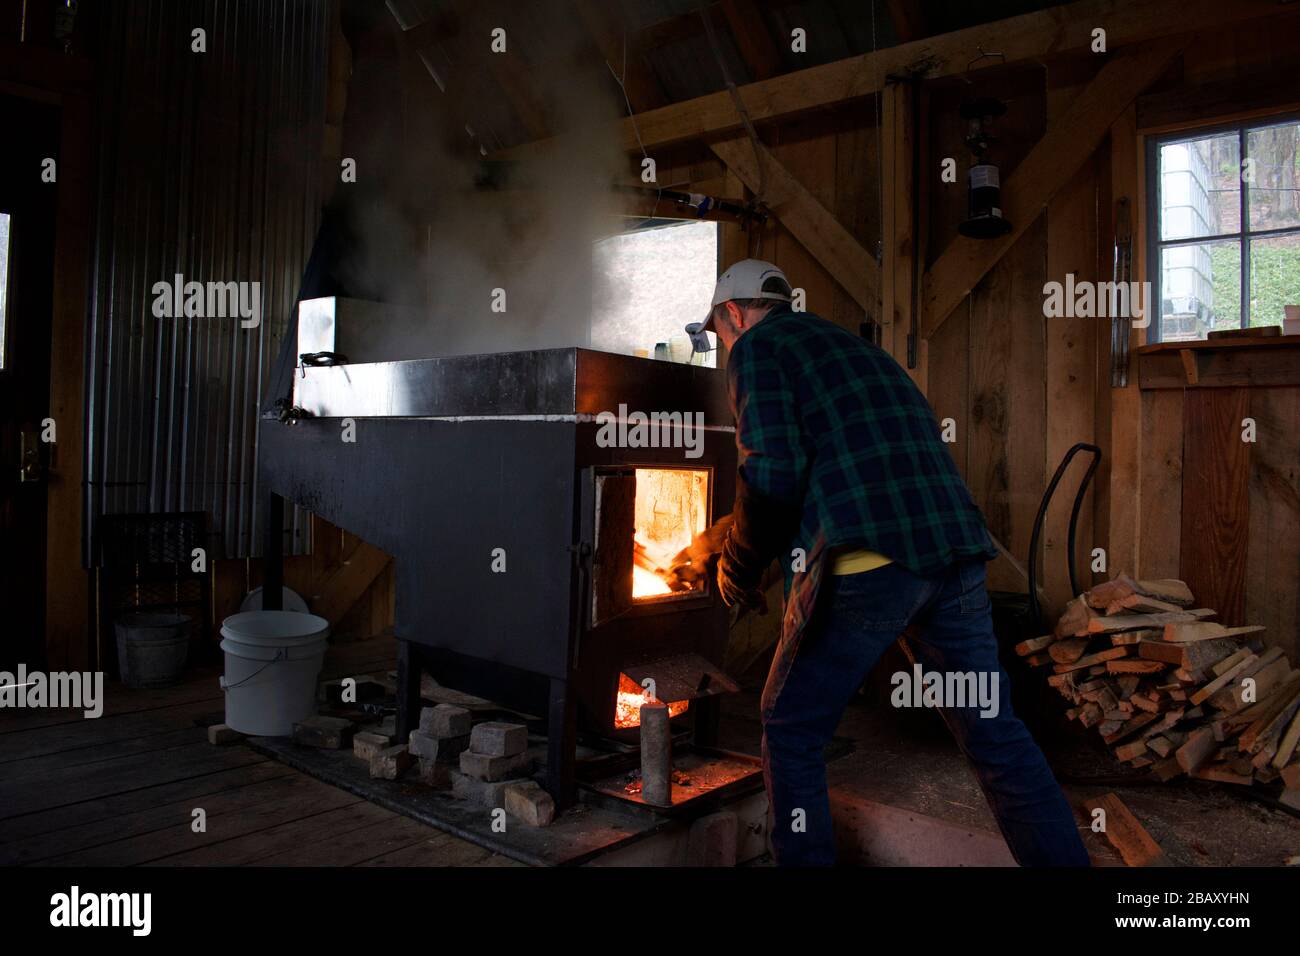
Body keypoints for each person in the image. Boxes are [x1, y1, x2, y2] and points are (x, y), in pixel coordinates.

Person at [680, 259, 1089, 867]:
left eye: (720, 334)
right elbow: (832, 471)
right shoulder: (856, 349)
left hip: (870, 563)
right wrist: (768, 560)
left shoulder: (758, 348)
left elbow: (769, 477)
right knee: (994, 735)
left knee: (790, 730)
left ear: (733, 314)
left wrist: (735, 572)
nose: (723, 349)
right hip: (953, 555)